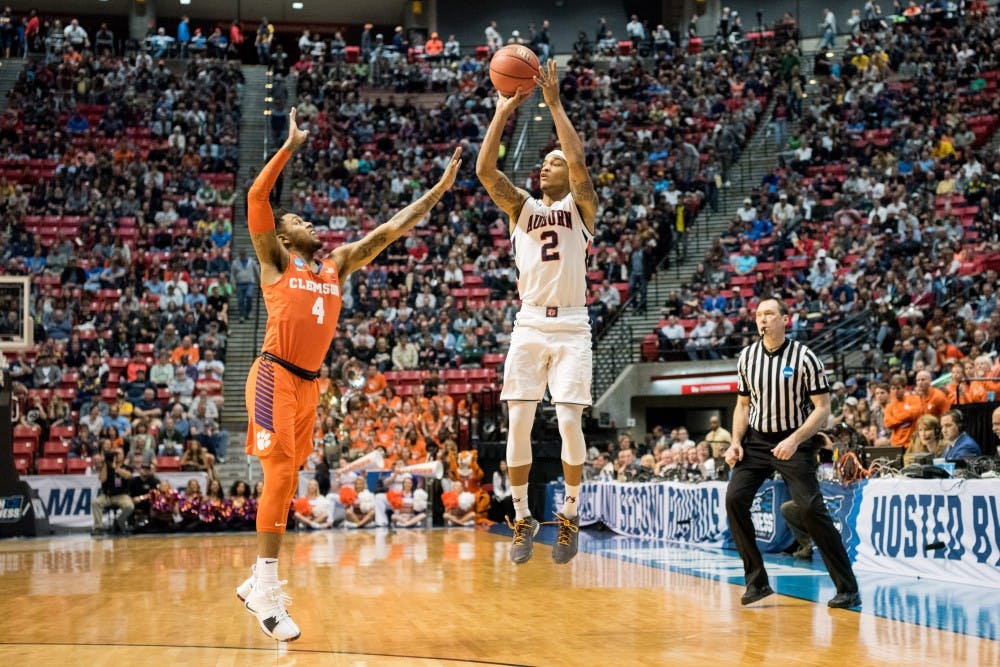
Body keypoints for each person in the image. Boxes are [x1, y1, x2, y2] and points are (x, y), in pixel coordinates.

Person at [234, 107, 462, 642]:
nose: (307, 222)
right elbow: (255, 200)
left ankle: (254, 580)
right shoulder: (275, 261)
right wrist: (289, 147)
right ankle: (266, 588)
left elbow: (388, 231)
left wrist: (439, 189)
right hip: (272, 375)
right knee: (283, 473)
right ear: (284, 239)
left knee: (290, 477)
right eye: (297, 221)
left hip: (310, 384)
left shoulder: (336, 264)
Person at [476, 60, 598, 566]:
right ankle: (523, 517)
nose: (548, 165)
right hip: (529, 322)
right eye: (544, 162)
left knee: (569, 421)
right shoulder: (523, 208)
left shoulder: (582, 206)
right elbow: (486, 172)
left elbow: (579, 160)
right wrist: (503, 113)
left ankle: (568, 514)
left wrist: (553, 104)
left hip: (572, 323)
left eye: (554, 162)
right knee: (519, 421)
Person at [724, 297, 861, 609]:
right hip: (757, 442)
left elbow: (823, 409)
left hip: (794, 440)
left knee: (812, 509)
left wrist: (795, 439)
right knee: (734, 499)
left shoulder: (805, 357)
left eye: (769, 314)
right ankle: (756, 582)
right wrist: (735, 442)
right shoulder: (746, 357)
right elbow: (743, 406)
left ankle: (847, 587)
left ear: (786, 319)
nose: (763, 319)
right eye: (759, 314)